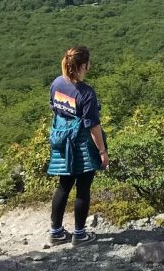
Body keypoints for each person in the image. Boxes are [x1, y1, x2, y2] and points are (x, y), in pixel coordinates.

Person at [47, 45, 108, 246]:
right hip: (82, 145)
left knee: (64, 185)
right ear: (84, 65)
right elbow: (93, 126)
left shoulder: (57, 83)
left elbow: (54, 108)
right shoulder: (86, 93)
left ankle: (56, 233)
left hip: (62, 142)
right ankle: (79, 235)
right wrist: (102, 151)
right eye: (88, 62)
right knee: (83, 188)